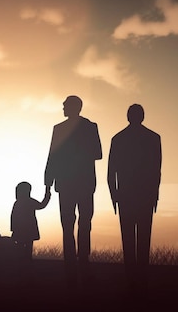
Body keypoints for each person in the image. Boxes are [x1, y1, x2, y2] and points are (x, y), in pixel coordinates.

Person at [44, 95, 102, 285]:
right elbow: (52, 157)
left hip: (73, 184)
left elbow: (97, 153)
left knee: (76, 225)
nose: (62, 107)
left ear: (73, 107)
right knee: (77, 225)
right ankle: (77, 266)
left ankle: (76, 267)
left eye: (65, 105)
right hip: (79, 183)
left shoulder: (69, 128)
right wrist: (48, 183)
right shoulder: (83, 127)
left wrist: (48, 184)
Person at [107, 104, 161, 296]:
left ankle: (133, 281)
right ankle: (140, 281)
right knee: (140, 240)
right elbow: (156, 172)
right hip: (140, 196)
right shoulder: (153, 138)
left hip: (128, 197)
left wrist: (114, 195)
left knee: (129, 240)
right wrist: (154, 194)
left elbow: (110, 172)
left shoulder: (118, 138)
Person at [10, 181, 51, 264]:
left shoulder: (19, 203)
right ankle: (25, 262)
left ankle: (24, 263)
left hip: (22, 230)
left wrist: (13, 229)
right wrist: (47, 195)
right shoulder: (28, 202)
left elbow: (13, 217)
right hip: (26, 230)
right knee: (26, 248)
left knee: (23, 248)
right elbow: (41, 205)